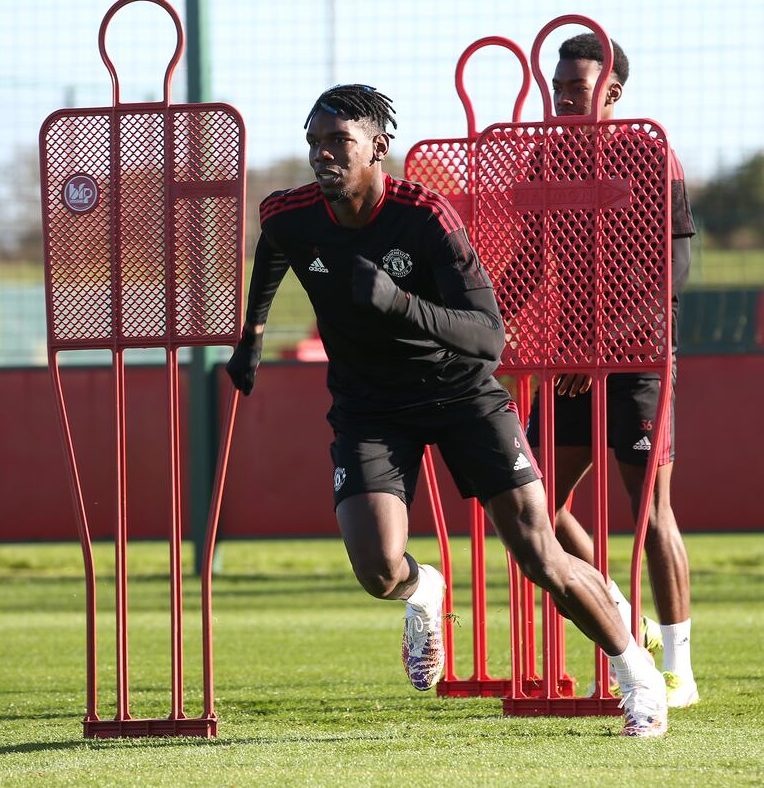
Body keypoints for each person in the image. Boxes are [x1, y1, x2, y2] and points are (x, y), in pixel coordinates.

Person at [226, 83, 668, 737]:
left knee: (539, 556)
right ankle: (424, 588)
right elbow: (273, 249)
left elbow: (490, 335)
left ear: (378, 148)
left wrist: (396, 302)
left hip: (462, 393)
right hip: (369, 406)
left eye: (338, 142)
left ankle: (638, 674)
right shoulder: (292, 213)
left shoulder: (426, 216)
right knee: (377, 568)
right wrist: (252, 337)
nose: (322, 154)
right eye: (314, 141)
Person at [525, 34, 698, 708]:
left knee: (650, 512)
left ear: (613, 93)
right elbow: (529, 270)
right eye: (558, 87)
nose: (564, 98)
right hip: (571, 360)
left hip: (640, 355)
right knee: (533, 505)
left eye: (578, 88)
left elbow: (672, 274)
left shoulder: (652, 152)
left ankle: (680, 669)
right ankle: (622, 614)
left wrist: (597, 344)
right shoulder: (546, 155)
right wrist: (481, 322)